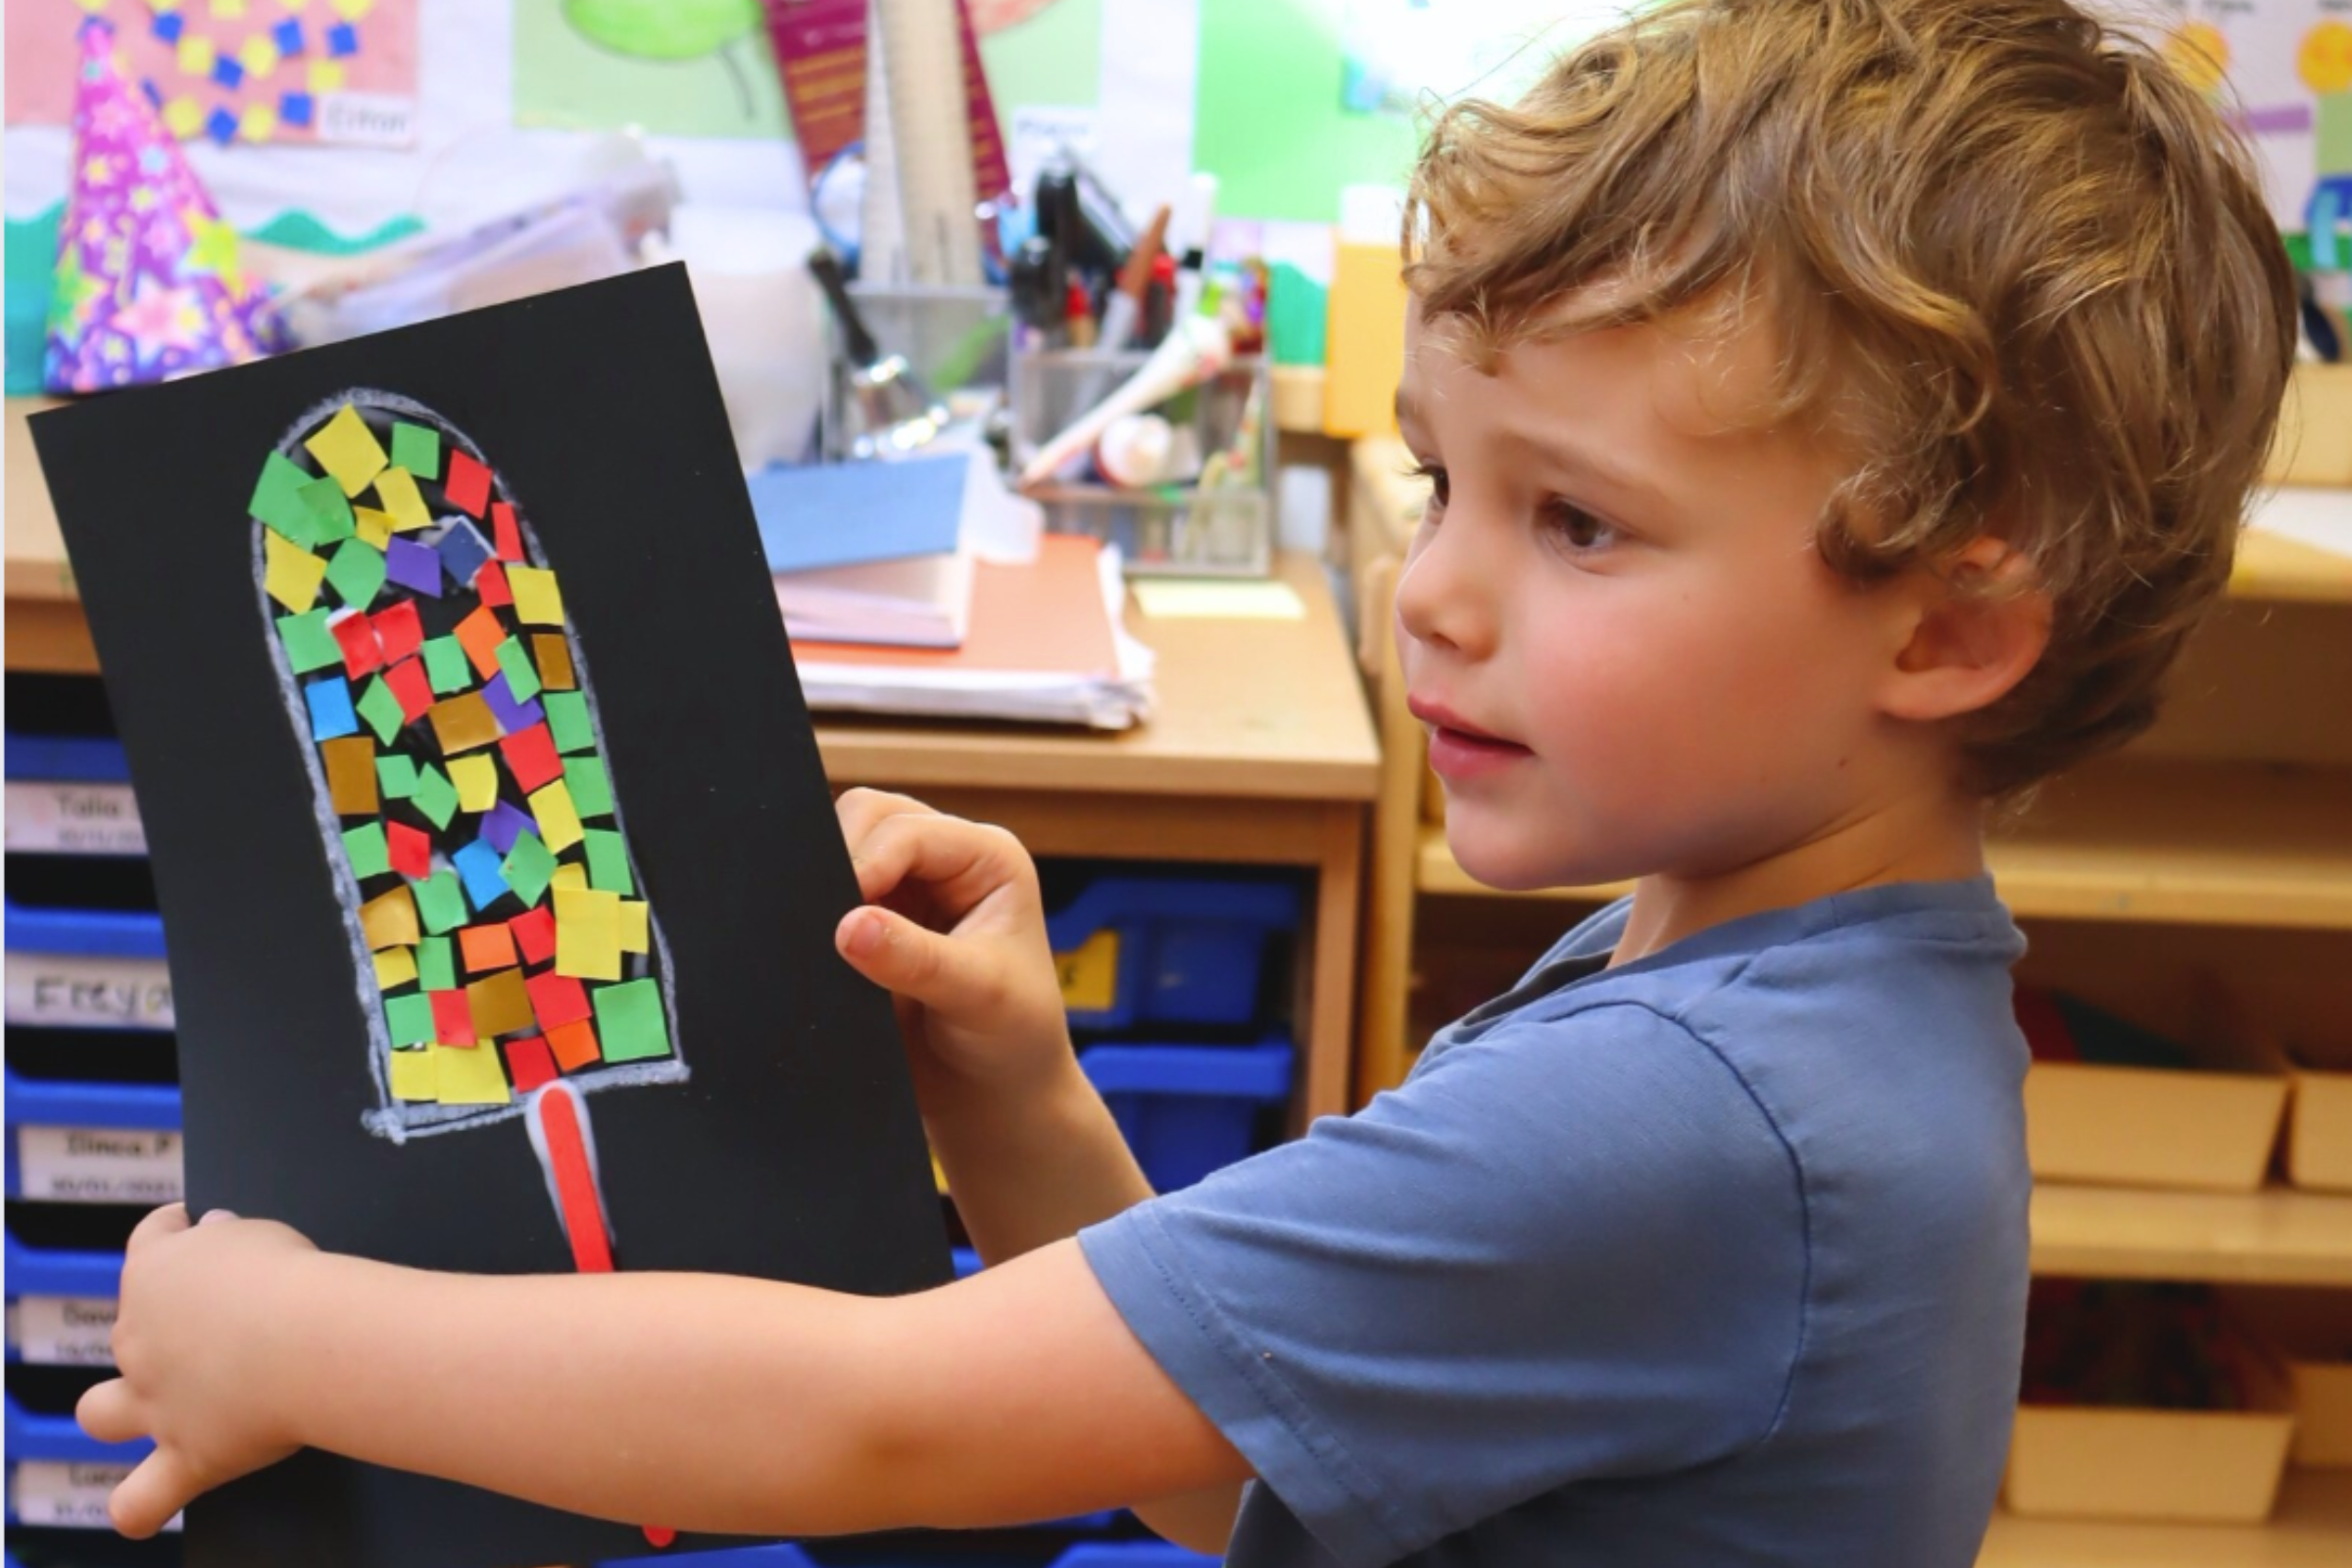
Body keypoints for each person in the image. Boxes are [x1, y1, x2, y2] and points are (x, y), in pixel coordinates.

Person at [80, 2, 2295, 1563]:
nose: (1430, 594)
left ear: (1945, 628)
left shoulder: (1694, 1119)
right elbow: (1265, 1468)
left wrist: (292, 1334)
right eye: (1446, 482)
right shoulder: (1761, 984)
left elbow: (890, 1419)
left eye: (1580, 523)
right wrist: (1020, 1102)